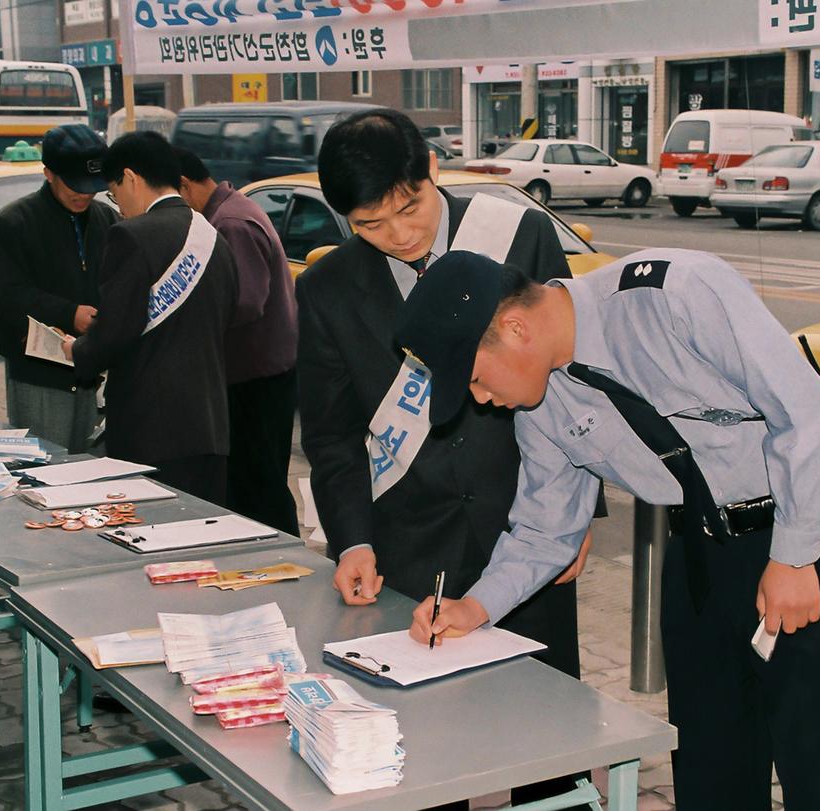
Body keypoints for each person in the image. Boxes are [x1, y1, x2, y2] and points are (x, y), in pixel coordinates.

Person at [399, 250, 820, 811]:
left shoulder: (674, 295)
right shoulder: (541, 407)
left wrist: (796, 557)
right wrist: (473, 608)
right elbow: (543, 532)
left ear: (515, 328)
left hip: (805, 531)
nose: (482, 401)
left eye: (478, 379)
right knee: (710, 770)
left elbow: (799, 407)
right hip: (700, 551)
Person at [296, 108, 591, 810]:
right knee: (423, 754)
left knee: (552, 739)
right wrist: (353, 538)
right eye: (371, 226)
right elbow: (332, 434)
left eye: (409, 208)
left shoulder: (518, 233)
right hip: (409, 540)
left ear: (430, 169)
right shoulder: (326, 289)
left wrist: (579, 517)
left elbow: (574, 378)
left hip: (528, 521)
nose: (400, 236)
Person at [61, 131, 245, 505]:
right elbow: (228, 318)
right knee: (201, 537)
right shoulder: (213, 235)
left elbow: (115, 332)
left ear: (130, 178)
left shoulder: (131, 236)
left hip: (151, 428)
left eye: (114, 193)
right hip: (210, 426)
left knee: (152, 538)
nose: (119, 206)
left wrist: (77, 349)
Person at [175, 146, 300, 534]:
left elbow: (245, 302)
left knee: (259, 486)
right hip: (260, 372)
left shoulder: (229, 223)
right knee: (255, 483)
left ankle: (285, 559)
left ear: (183, 185)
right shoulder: (231, 209)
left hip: (256, 378)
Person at [0, 124, 117, 452]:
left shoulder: (109, 219)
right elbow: (6, 297)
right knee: (45, 467)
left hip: (93, 370)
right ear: (48, 173)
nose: (84, 194)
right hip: (40, 375)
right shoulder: (14, 223)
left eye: (92, 186)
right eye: (75, 185)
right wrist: (69, 314)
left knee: (93, 472)